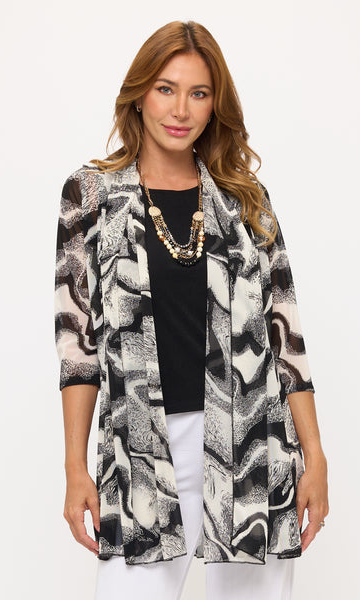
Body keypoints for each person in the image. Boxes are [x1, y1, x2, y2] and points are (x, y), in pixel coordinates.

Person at [54, 20, 329, 600]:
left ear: (214, 105)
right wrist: (75, 467)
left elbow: (286, 337)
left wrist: (315, 456)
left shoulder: (245, 199)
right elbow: (77, 344)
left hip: (253, 445)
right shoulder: (91, 194)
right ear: (139, 94)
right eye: (166, 89)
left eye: (198, 93)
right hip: (141, 449)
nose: (180, 110)